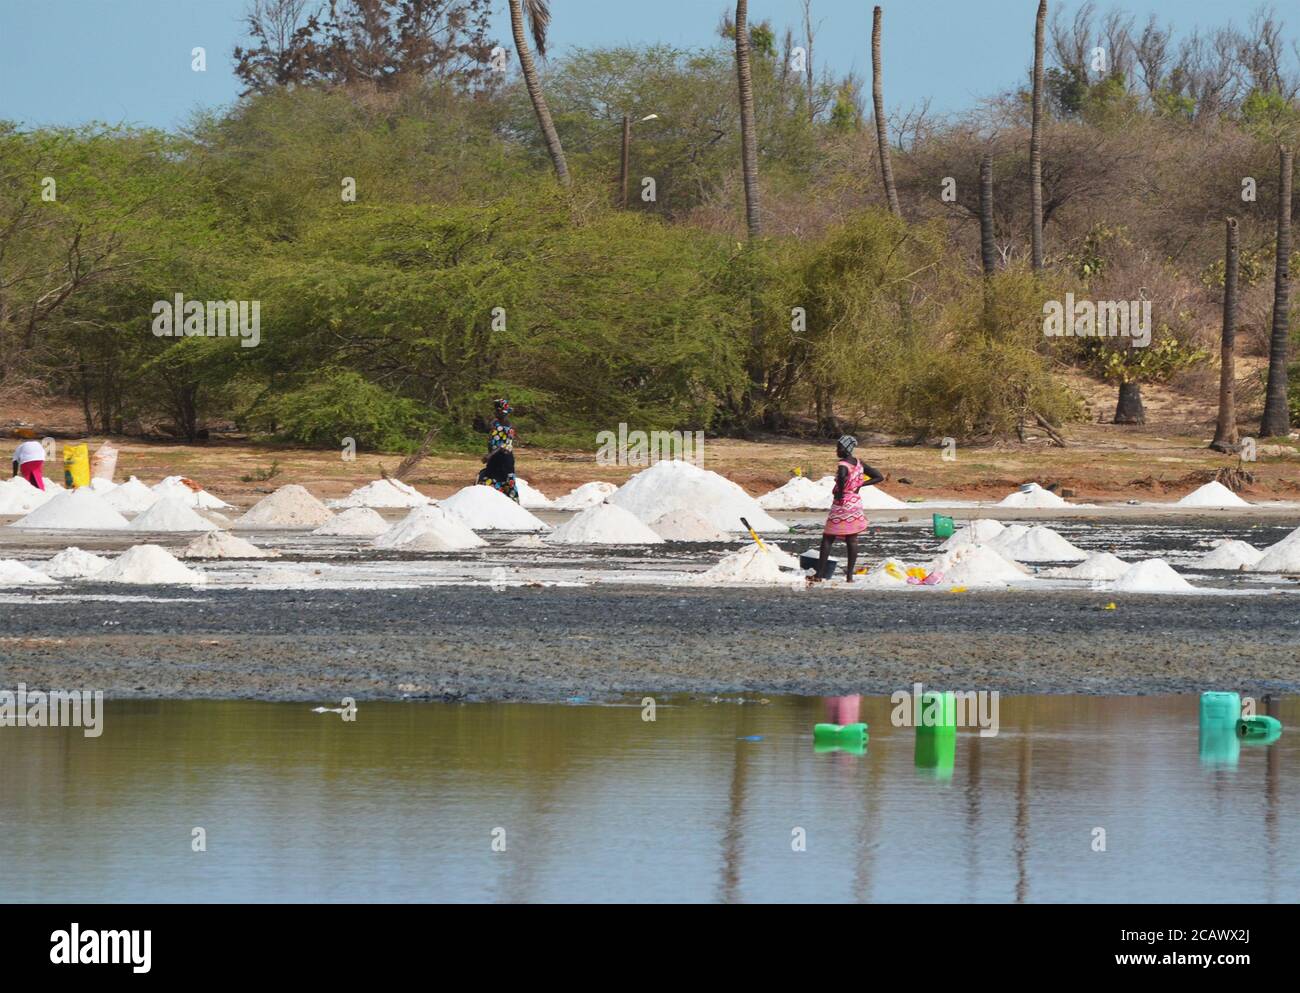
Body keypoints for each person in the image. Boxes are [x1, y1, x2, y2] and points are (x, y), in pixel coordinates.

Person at [811, 435, 884, 583]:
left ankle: (819, 575)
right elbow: (879, 476)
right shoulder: (858, 463)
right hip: (855, 503)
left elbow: (843, 477)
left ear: (845, 448)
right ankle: (849, 577)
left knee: (827, 538)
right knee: (852, 539)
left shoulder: (843, 464)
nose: (836, 450)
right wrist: (858, 485)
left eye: (839, 447)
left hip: (842, 503)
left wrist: (840, 493)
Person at [477, 398, 519, 502]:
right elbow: (489, 433)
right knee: (487, 483)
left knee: (508, 486)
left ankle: (512, 510)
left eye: (497, 411)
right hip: (494, 459)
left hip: (505, 460)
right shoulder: (495, 423)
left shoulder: (509, 426)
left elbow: (506, 445)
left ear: (503, 412)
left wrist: (490, 454)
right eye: (495, 410)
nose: (495, 412)